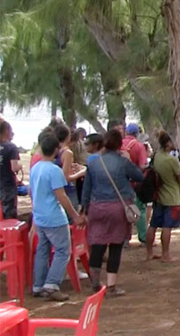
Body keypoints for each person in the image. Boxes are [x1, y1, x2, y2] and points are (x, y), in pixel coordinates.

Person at [82, 129, 144, 297]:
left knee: (98, 244)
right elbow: (139, 176)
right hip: (118, 207)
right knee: (116, 246)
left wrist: (84, 210)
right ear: (119, 144)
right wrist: (128, 160)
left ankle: (95, 283)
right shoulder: (123, 163)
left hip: (97, 207)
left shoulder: (94, 164)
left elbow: (86, 190)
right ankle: (111, 286)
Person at [30, 134, 86, 301]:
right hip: (54, 217)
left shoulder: (35, 168)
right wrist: (75, 216)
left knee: (42, 251)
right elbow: (62, 197)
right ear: (56, 150)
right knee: (62, 250)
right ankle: (51, 284)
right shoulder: (54, 170)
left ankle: (38, 285)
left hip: (40, 217)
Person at [146, 131, 180, 262]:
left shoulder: (156, 157)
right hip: (172, 197)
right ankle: (165, 254)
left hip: (158, 196)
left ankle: (149, 253)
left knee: (153, 225)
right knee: (167, 227)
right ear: (168, 143)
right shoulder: (172, 160)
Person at [54, 125, 87, 212]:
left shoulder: (56, 150)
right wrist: (82, 172)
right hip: (67, 190)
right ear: (68, 137)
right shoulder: (67, 153)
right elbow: (65, 178)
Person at [0, 121, 20, 219]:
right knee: (8, 212)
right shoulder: (11, 147)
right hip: (7, 186)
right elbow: (14, 167)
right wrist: (19, 166)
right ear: (6, 131)